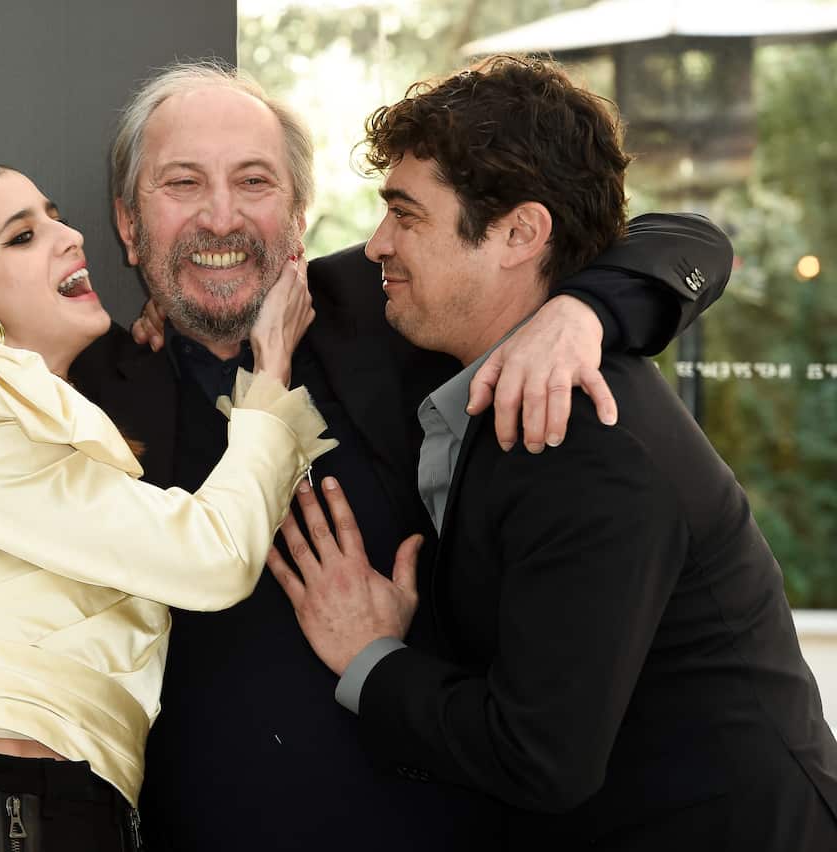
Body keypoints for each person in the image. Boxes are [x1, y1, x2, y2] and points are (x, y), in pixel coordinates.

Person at [0, 62, 733, 850]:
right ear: (130, 227)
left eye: (252, 183)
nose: (220, 216)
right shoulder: (73, 390)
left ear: (297, 217)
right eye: (182, 185)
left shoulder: (400, 319)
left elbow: (686, 239)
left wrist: (581, 309)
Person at [271, 55, 837, 850]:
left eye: (406, 214)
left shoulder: (592, 442)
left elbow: (540, 757)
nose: (376, 245)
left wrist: (372, 659)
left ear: (518, 234)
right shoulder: (426, 314)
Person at [0, 159, 336, 850]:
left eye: (54, 215)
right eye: (22, 235)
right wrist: (273, 368)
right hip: (10, 808)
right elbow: (213, 558)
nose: (68, 235)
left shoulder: (38, 416)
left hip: (50, 808)